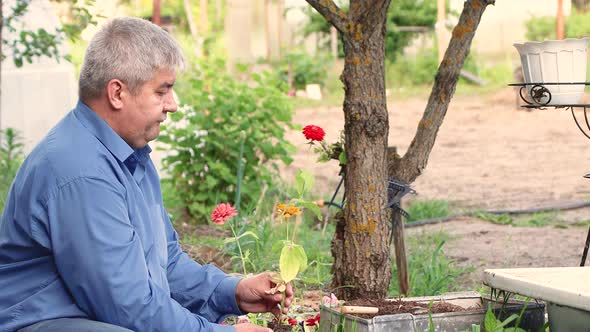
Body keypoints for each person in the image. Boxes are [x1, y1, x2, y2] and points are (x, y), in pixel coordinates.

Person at [0, 17, 292, 332]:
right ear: (117, 93)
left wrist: (232, 291)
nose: (173, 105)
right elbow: (128, 306)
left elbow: (165, 264)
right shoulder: (81, 171)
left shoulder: (128, 154)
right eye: (162, 91)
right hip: (41, 323)